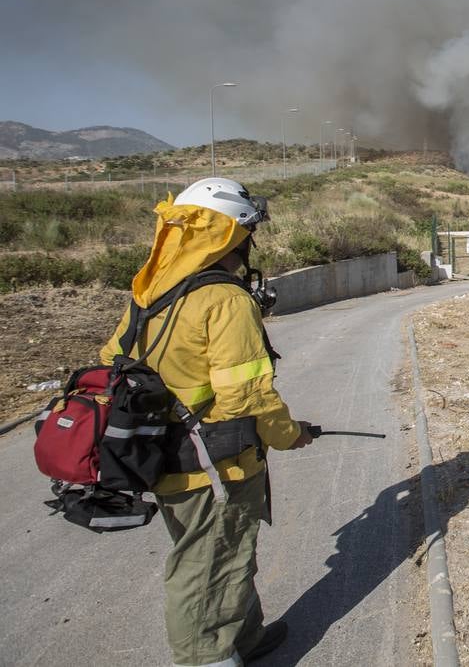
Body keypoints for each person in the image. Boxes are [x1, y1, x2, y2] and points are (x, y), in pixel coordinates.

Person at [99, 177, 312, 666]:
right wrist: (289, 434)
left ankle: (246, 637)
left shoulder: (150, 290)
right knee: (208, 565)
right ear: (230, 238)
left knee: (226, 552)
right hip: (217, 464)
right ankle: (207, 658)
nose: (247, 249)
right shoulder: (226, 299)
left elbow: (113, 359)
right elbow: (247, 396)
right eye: (245, 238)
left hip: (166, 456)